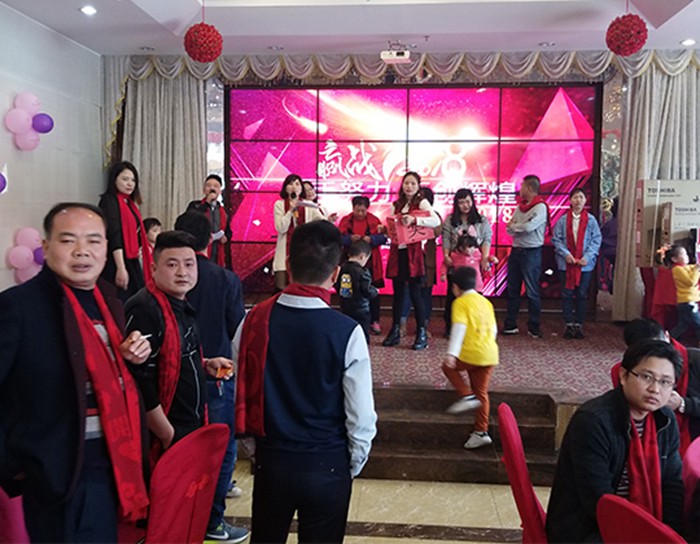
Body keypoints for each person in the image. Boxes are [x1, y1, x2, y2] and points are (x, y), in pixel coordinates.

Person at [0, 202, 151, 542]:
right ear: (45, 246)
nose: (82, 251)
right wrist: (13, 465)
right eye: (68, 240)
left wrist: (135, 361)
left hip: (114, 467)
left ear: (106, 249)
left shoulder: (109, 303)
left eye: (93, 241)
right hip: (58, 474)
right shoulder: (18, 307)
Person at [234, 220, 377, 543]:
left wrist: (256, 452)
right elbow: (361, 416)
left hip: (272, 461)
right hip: (328, 464)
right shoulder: (347, 332)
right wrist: (349, 464)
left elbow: (240, 393)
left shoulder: (253, 321)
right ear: (335, 274)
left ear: (288, 264)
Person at [546, 340, 684, 542]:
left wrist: (669, 534)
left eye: (665, 382)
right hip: (587, 527)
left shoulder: (665, 420)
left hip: (638, 520)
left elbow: (672, 485)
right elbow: (598, 500)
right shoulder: (593, 421)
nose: (655, 389)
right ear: (623, 376)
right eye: (646, 377)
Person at [173, 212, 249, 543]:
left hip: (177, 377)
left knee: (181, 448)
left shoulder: (165, 278)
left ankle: (180, 517)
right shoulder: (225, 279)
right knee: (221, 449)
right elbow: (237, 331)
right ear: (209, 240)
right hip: (218, 375)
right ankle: (213, 521)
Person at [125, 231, 233, 462]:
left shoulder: (181, 303)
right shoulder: (145, 308)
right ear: (153, 269)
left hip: (191, 425)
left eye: (189, 264)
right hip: (167, 433)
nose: (183, 272)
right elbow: (139, 379)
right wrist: (167, 434)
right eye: (172, 265)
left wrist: (205, 364)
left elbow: (174, 356)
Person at [619, 318, 700, 456]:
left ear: (667, 336)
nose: (655, 389)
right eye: (647, 377)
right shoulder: (628, 373)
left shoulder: (696, 360)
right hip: (650, 439)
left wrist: (683, 404)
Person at [382, 171, 440, 350]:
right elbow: (392, 229)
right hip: (398, 252)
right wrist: (384, 230)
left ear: (418, 186)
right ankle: (395, 330)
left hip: (414, 254)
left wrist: (415, 219)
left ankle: (421, 332)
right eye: (406, 183)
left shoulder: (421, 202)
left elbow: (435, 221)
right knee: (398, 294)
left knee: (416, 293)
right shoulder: (396, 204)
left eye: (413, 184)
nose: (409, 187)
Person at [442, 266, 499, 449]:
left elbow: (459, 328)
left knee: (448, 367)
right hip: (490, 353)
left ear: (455, 287)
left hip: (471, 353)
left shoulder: (460, 303)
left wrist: (451, 354)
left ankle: (466, 396)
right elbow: (494, 329)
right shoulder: (485, 302)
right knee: (481, 393)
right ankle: (481, 431)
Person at [551, 188, 602, 339]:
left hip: (584, 264)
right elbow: (556, 239)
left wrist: (587, 256)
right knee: (566, 294)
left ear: (585, 200)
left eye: (581, 197)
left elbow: (596, 240)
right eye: (575, 197)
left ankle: (579, 324)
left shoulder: (591, 220)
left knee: (582, 294)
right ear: (570, 200)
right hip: (566, 263)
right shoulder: (562, 220)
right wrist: (566, 254)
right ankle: (568, 324)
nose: (578, 200)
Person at [502, 175, 549, 338]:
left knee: (531, 290)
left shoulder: (540, 207)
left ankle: (534, 325)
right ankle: (510, 324)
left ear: (529, 188)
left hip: (532, 252)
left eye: (522, 186)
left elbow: (529, 227)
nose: (520, 189)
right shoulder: (519, 207)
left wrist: (516, 226)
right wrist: (518, 227)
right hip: (516, 251)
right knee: (512, 289)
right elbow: (508, 229)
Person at [442, 188, 492, 336]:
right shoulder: (450, 220)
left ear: (473, 202)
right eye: (461, 202)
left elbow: (486, 239)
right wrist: (446, 256)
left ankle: (473, 326)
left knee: (474, 295)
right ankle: (451, 327)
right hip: (456, 262)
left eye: (468, 201)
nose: (465, 205)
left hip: (473, 263)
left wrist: (484, 257)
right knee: (453, 295)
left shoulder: (481, 220)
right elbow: (446, 239)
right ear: (456, 204)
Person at [98, 160, 152, 301]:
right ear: (114, 179)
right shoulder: (109, 201)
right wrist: (121, 267)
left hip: (131, 258)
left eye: (133, 180)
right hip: (116, 260)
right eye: (125, 179)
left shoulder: (129, 203)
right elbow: (114, 235)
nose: (130, 184)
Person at [338, 195, 387, 335]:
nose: (360, 213)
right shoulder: (346, 220)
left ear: (367, 209)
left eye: (363, 211)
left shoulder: (374, 220)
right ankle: (347, 317)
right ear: (353, 208)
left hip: (369, 261)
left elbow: (384, 238)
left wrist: (371, 239)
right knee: (348, 290)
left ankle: (374, 320)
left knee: (371, 290)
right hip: (350, 262)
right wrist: (349, 239)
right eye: (357, 210)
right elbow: (338, 238)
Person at [272, 173, 326, 291]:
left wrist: (329, 220)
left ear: (301, 189)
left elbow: (322, 223)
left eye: (297, 184)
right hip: (284, 251)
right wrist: (290, 210)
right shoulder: (279, 205)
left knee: (302, 287)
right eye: (290, 184)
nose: (294, 187)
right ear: (285, 188)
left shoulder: (308, 205)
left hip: (304, 252)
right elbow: (281, 228)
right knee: (281, 288)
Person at [336, 239, 378, 342]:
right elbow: (366, 290)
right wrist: (375, 291)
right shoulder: (363, 272)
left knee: (348, 331)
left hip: (345, 305)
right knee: (362, 333)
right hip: (361, 308)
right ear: (362, 256)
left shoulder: (341, 268)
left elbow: (337, 285)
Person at [186, 174, 231, 267]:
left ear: (220, 191)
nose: (212, 188)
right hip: (199, 250)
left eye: (216, 186)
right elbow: (189, 222)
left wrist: (226, 237)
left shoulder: (223, 211)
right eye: (209, 185)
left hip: (217, 250)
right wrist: (207, 203)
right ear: (204, 190)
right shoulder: (195, 205)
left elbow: (228, 231)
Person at [666, 244, 700, 344]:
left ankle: (667, 339)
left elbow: (692, 268)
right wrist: (697, 270)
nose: (687, 256)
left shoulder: (685, 268)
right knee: (698, 323)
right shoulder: (677, 269)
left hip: (687, 301)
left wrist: (696, 267)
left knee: (682, 325)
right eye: (683, 254)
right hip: (687, 302)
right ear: (674, 259)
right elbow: (690, 281)